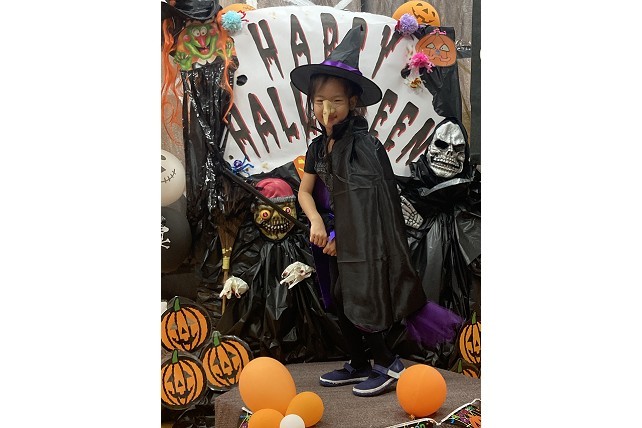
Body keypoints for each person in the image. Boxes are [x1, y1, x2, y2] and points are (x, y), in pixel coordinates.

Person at [290, 25, 450, 397]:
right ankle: (359, 362)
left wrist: (341, 237)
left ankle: (388, 363)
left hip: (364, 238)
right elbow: (305, 191)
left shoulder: (362, 145)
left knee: (360, 294)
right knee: (338, 297)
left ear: (352, 103)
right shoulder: (318, 147)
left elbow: (365, 202)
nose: (327, 109)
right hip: (331, 236)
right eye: (319, 100)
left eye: (336, 101)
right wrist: (316, 220)